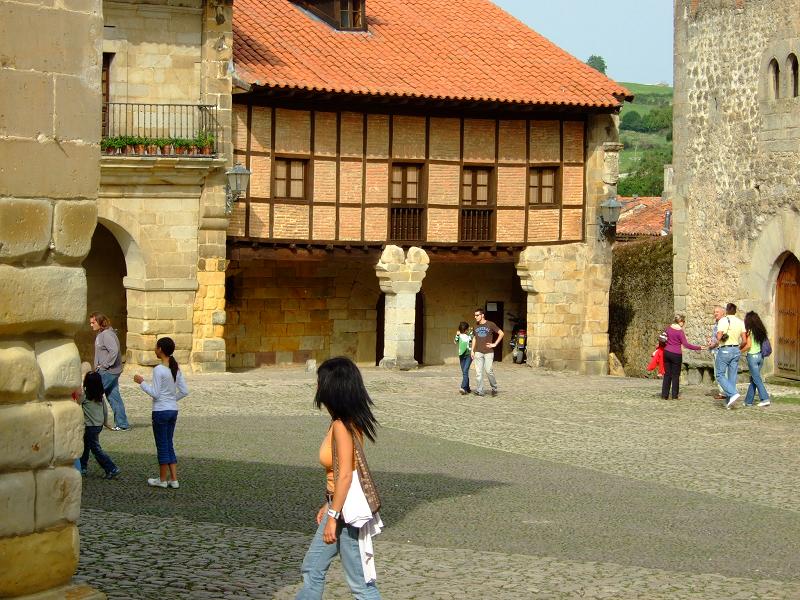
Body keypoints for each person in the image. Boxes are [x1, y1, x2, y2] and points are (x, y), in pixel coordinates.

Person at [296, 357, 381, 600]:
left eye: (320, 382)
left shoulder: (343, 426)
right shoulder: (343, 422)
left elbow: (345, 474)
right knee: (313, 567)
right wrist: (328, 502)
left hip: (344, 514)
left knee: (361, 585)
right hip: (338, 507)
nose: (317, 388)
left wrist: (333, 516)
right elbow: (338, 473)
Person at [133, 337, 188, 489]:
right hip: (172, 410)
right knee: (169, 443)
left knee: (162, 445)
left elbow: (155, 393)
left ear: (161, 350)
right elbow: (184, 391)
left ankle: (163, 479)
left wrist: (141, 382)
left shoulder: (159, 370)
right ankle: (174, 479)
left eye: (156, 347)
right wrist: (171, 399)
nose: (154, 349)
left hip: (161, 411)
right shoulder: (175, 368)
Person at [77, 363, 120, 479]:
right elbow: (105, 410)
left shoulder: (85, 396)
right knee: (85, 447)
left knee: (96, 449)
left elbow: (77, 403)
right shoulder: (99, 396)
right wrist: (105, 422)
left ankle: (111, 468)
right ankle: (83, 467)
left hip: (90, 426)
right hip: (98, 425)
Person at [90, 312, 130, 431]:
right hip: (111, 370)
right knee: (114, 397)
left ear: (100, 322)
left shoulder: (106, 334)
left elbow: (114, 351)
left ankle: (92, 423)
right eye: (90, 323)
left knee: (93, 396)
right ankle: (122, 424)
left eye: (93, 322)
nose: (91, 325)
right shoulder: (103, 334)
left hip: (108, 371)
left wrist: (104, 366)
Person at [661, 314, 704, 400]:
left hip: (666, 353)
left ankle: (664, 395)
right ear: (680, 322)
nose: (684, 324)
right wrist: (699, 347)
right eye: (683, 322)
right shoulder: (680, 332)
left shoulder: (668, 328)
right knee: (675, 375)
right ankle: (674, 395)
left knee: (667, 374)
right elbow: (686, 345)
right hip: (676, 354)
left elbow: (662, 339)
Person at [716, 303, 746, 409]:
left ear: (727, 310)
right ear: (735, 311)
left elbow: (719, 337)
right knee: (732, 376)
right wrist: (738, 348)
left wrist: (717, 338)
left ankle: (733, 393)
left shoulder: (723, 321)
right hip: (736, 349)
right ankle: (730, 402)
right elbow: (745, 340)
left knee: (719, 375)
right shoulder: (740, 322)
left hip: (725, 349)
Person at [470, 308, 504, 397]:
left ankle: (494, 387)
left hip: (489, 352)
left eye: (477, 315)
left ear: (482, 315)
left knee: (489, 370)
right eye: (475, 315)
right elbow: (474, 338)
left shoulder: (490, 324)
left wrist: (495, 344)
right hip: (478, 352)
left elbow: (501, 333)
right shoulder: (475, 326)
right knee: (478, 372)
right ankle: (480, 390)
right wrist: (472, 350)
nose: (475, 317)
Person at [742, 311, 771, 407]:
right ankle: (748, 401)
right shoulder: (761, 330)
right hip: (761, 357)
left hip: (752, 357)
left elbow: (748, 345)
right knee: (754, 379)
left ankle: (765, 398)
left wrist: (739, 351)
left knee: (756, 379)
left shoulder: (749, 331)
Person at [706, 305, 726, 399]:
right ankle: (722, 391)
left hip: (719, 351)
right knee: (716, 373)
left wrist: (714, 344)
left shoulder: (723, 323)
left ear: (723, 313)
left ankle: (723, 392)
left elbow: (722, 338)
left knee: (720, 373)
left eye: (717, 312)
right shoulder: (716, 323)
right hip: (714, 351)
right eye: (714, 312)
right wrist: (711, 341)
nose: (715, 314)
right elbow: (715, 337)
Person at [454, 321, 473, 395]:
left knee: (465, 371)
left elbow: (472, 340)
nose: (464, 331)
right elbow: (455, 341)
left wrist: (471, 331)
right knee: (464, 372)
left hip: (469, 355)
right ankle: (467, 388)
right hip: (461, 355)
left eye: (464, 330)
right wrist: (457, 335)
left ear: (466, 330)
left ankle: (463, 387)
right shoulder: (460, 335)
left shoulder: (470, 335)